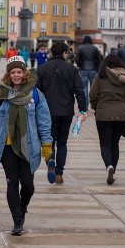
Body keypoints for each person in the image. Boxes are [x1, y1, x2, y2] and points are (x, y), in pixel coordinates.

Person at [0, 55, 52, 236]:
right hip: (6, 146)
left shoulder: (36, 94)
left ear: (25, 73)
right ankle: (17, 220)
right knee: (12, 183)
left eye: (19, 72)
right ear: (8, 74)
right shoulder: (0, 95)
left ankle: (22, 208)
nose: (16, 75)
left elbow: (43, 122)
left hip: (28, 146)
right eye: (12, 72)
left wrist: (47, 143)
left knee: (28, 185)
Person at [35, 41, 86, 184]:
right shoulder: (72, 69)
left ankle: (50, 160)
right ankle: (59, 172)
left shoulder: (42, 68)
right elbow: (79, 91)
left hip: (47, 112)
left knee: (48, 140)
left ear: (51, 53)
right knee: (62, 142)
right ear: (64, 53)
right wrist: (82, 109)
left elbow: (36, 92)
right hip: (66, 111)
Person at [88, 53, 125, 185]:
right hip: (121, 115)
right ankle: (114, 169)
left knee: (105, 144)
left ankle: (109, 166)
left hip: (103, 115)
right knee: (115, 143)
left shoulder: (101, 76)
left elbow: (92, 94)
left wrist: (96, 107)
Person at [76, 35, 102, 107]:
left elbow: (77, 59)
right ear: (90, 41)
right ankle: (94, 105)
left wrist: (79, 66)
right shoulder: (95, 48)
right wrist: (97, 68)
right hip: (93, 70)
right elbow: (99, 59)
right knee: (94, 88)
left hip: (83, 69)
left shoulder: (80, 48)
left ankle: (85, 106)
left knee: (84, 88)